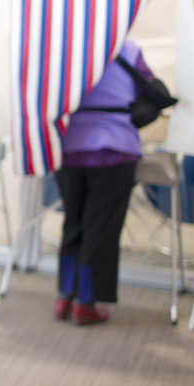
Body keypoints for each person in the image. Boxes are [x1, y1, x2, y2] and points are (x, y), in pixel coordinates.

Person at [53, 39, 155, 325]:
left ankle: (65, 296)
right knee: (101, 227)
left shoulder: (67, 46)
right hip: (115, 147)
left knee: (73, 223)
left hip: (70, 145)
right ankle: (85, 303)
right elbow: (148, 87)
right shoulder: (130, 50)